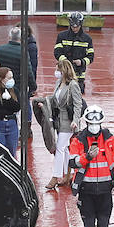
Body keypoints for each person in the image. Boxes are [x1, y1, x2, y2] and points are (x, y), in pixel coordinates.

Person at [67, 105, 114, 227]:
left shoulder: (109, 139)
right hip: (86, 191)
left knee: (104, 224)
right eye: (91, 123)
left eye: (96, 123)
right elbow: (72, 162)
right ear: (86, 123)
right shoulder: (78, 140)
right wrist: (87, 157)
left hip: (105, 190)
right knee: (89, 224)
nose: (94, 127)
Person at [43, 57, 84, 191]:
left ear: (64, 70)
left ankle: (55, 176)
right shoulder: (58, 83)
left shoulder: (73, 85)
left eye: (58, 69)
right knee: (65, 149)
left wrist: (75, 121)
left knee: (60, 148)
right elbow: (55, 99)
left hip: (68, 121)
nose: (56, 72)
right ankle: (68, 174)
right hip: (59, 120)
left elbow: (78, 104)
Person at [53, 12, 94, 92]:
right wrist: (65, 61)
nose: (75, 29)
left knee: (77, 98)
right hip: (65, 73)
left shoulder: (87, 39)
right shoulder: (62, 36)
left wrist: (81, 62)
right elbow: (57, 52)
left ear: (81, 24)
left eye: (77, 26)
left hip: (79, 74)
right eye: (72, 26)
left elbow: (91, 56)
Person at [0, 66, 23, 155]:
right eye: (9, 78)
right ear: (1, 79)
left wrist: (8, 100)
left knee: (12, 152)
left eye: (12, 77)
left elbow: (18, 107)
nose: (11, 80)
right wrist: (8, 109)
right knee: (0, 152)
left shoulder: (15, 91)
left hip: (12, 124)